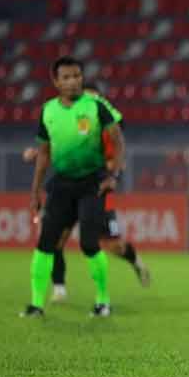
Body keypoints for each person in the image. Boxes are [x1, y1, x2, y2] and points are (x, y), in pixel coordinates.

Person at [23, 84, 150, 301]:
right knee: (55, 240)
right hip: (67, 188)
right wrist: (36, 153)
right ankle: (59, 287)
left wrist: (112, 168)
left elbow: (115, 154)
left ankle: (136, 262)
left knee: (112, 245)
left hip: (96, 190)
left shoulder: (107, 127)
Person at [21, 57, 124, 318]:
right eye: (66, 77)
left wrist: (114, 175)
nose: (73, 81)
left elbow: (118, 140)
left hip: (92, 184)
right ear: (56, 82)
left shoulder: (96, 106)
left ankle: (103, 301)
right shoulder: (48, 111)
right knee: (46, 244)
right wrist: (35, 192)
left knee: (89, 244)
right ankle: (36, 305)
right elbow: (44, 155)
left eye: (77, 76)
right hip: (62, 186)